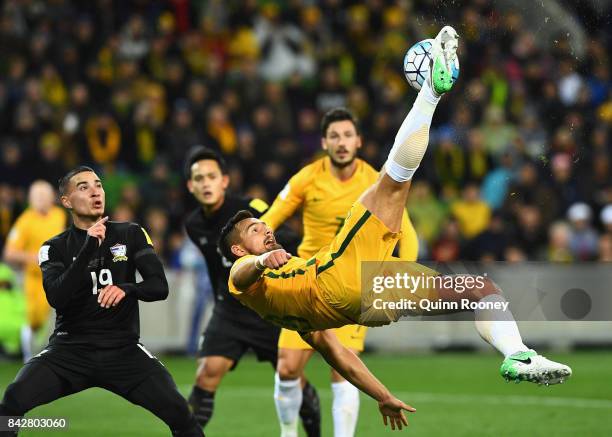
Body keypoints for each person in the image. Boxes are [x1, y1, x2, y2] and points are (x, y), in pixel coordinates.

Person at [220, 27, 572, 430]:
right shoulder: (244, 277)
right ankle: (432, 92)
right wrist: (263, 259)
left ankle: (517, 354)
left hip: (365, 299)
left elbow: (339, 357)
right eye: (252, 231)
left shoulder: (290, 316)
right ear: (238, 250)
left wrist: (382, 395)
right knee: (393, 181)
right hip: (339, 273)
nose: (264, 230)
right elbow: (243, 272)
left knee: (479, 290)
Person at [0, 166, 203, 437]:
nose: (95, 191)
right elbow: (57, 297)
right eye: (83, 187)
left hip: (123, 350)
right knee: (12, 402)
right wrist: (88, 250)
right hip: (69, 350)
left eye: (98, 184)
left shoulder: (131, 234)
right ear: (67, 202)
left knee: (181, 413)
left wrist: (127, 288)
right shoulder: (54, 247)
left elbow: (159, 286)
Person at [261, 107, 418, 437]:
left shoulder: (375, 181)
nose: (341, 142)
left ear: (359, 141)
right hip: (304, 284)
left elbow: (407, 232)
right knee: (288, 368)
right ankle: (287, 434)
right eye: (334, 136)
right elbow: (270, 220)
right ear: (324, 142)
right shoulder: (307, 177)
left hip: (350, 285)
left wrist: (399, 270)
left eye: (348, 135)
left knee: (342, 371)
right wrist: (263, 248)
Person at [183, 147, 321, 435]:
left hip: (268, 307)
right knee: (206, 374)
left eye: (211, 176)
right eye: (199, 178)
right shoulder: (193, 224)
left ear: (224, 180)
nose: (205, 183)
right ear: (190, 186)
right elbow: (214, 265)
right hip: (230, 310)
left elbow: (288, 240)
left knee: (292, 376)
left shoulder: (253, 209)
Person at [3, 180, 66, 361]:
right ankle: (28, 355)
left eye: (44, 195)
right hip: (34, 279)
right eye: (37, 195)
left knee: (54, 317)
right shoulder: (25, 221)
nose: (41, 199)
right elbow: (9, 253)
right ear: (30, 198)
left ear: (52, 197)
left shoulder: (59, 215)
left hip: (58, 276)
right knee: (33, 319)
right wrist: (33, 257)